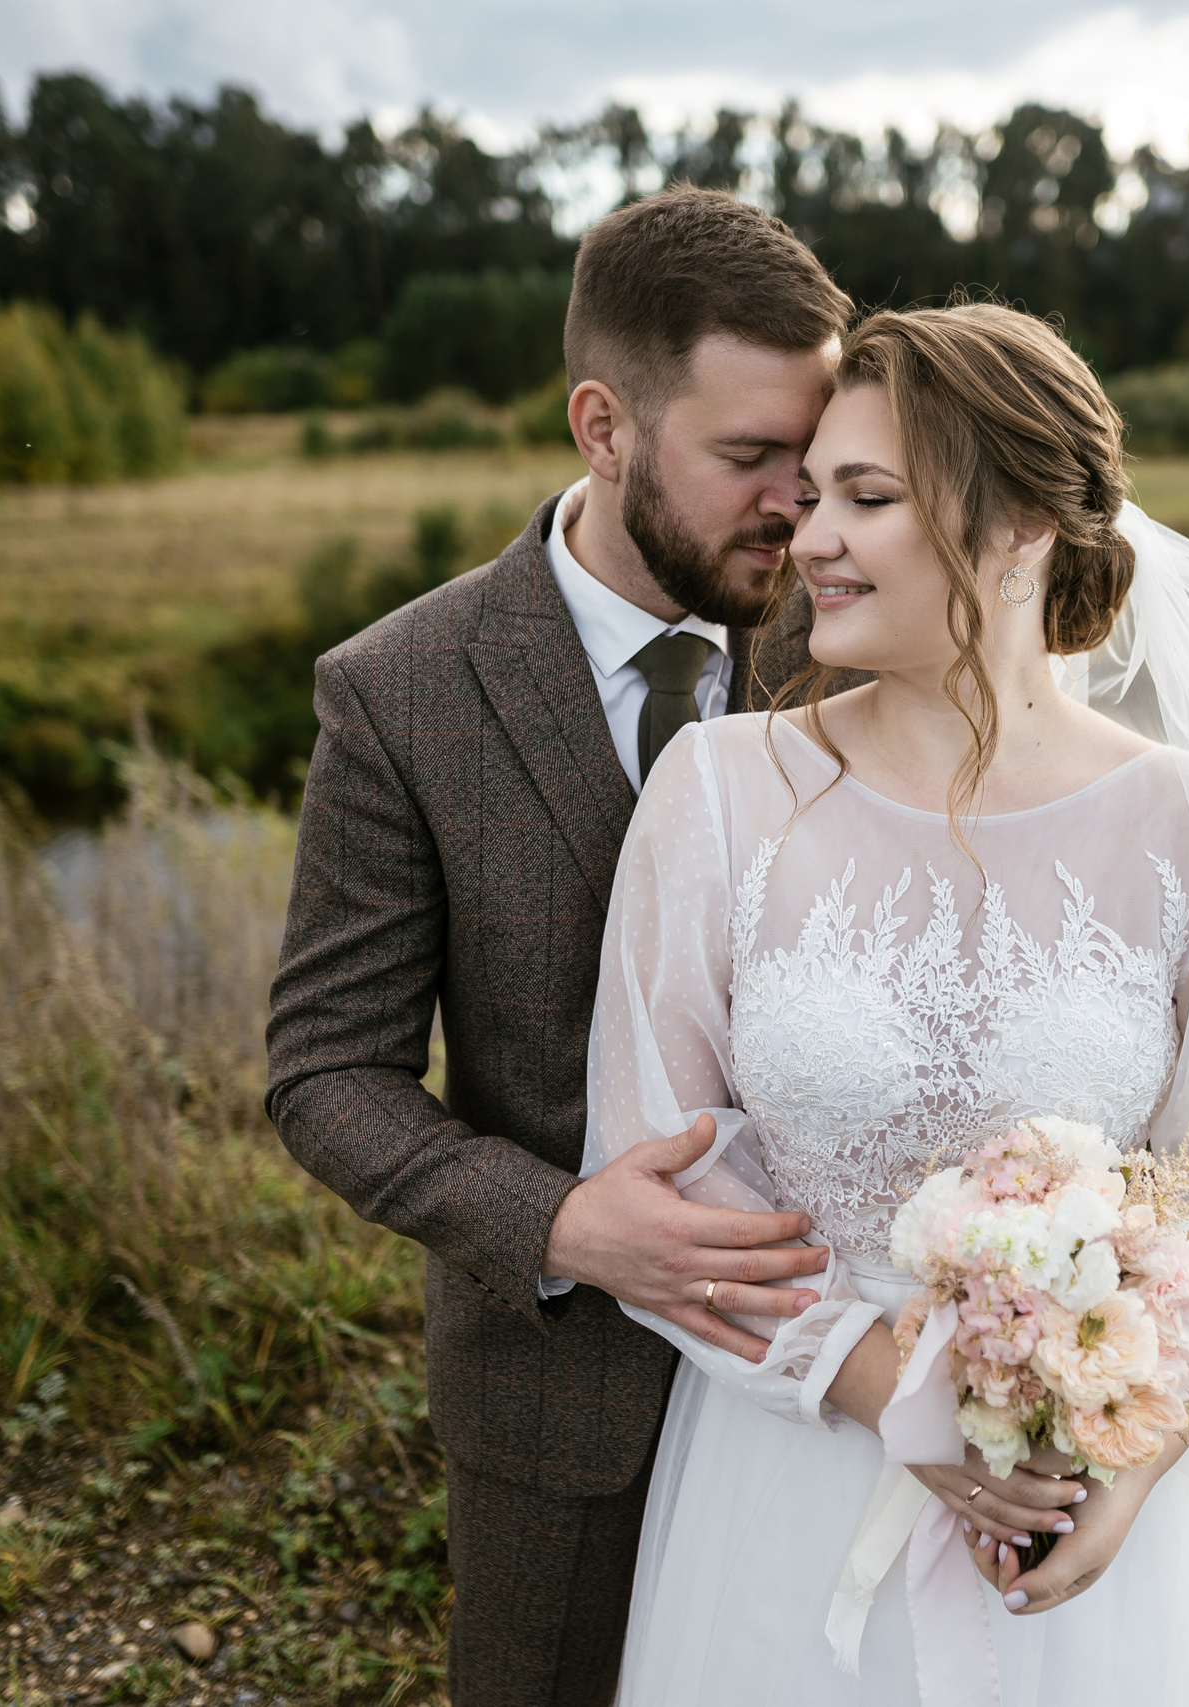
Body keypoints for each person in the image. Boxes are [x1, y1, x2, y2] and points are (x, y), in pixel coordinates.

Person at [583, 302, 1189, 1703]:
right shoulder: (717, 796)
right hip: (789, 1479)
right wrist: (879, 1386)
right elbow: (662, 1170)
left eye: (868, 497)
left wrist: (1133, 1464)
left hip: (1086, 1528)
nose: (812, 540)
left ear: (1024, 525)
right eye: (809, 496)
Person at [264, 187, 862, 1707]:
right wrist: (563, 1227)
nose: (802, 507)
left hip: (845, 1389)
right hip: (566, 1409)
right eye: (748, 460)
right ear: (603, 426)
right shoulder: (399, 692)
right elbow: (327, 1073)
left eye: (820, 455)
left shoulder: (863, 636)